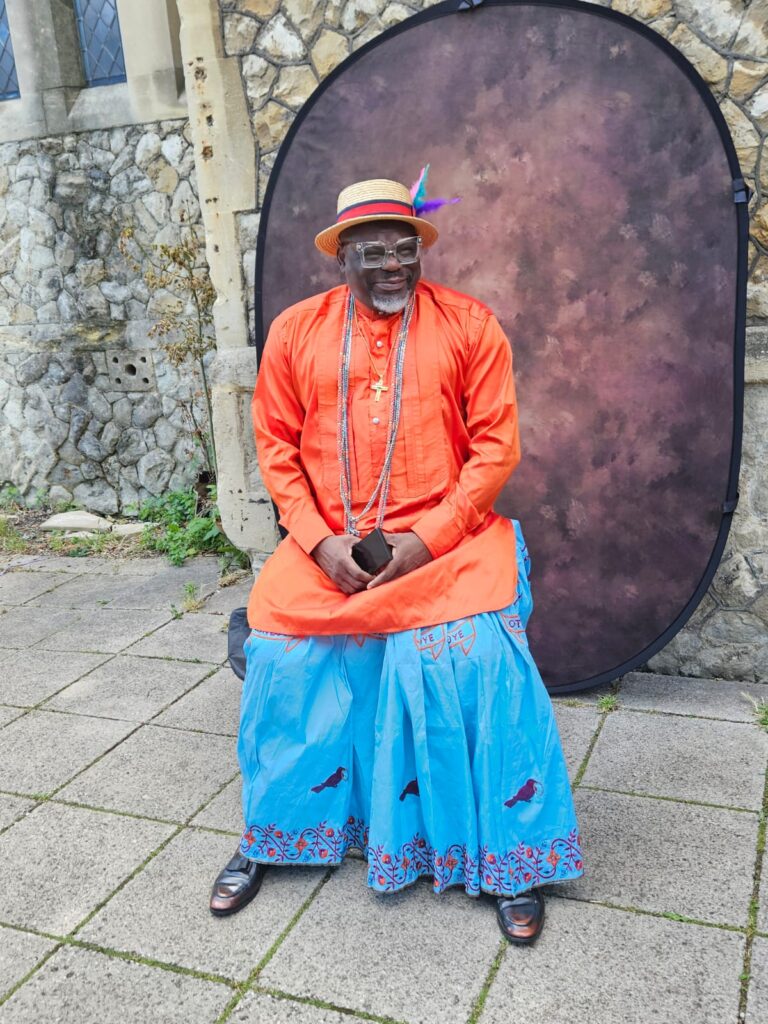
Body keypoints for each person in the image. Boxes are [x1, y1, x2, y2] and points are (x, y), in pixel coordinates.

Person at [209, 176, 583, 943]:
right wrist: (318, 541)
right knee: (280, 653)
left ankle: (507, 856)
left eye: (404, 248)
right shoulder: (295, 332)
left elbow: (495, 449)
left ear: (420, 250)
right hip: (329, 546)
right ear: (340, 256)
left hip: (449, 543)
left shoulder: (471, 326)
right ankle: (273, 832)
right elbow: (275, 447)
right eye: (372, 250)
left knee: (474, 657)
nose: (391, 265)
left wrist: (430, 538)